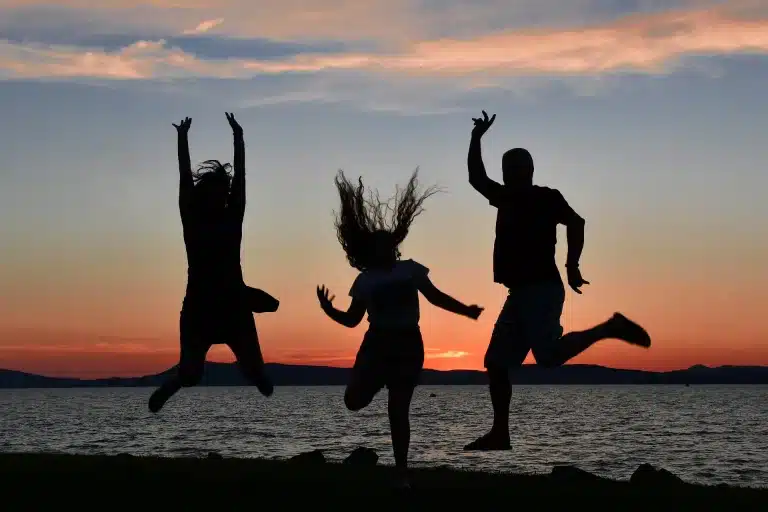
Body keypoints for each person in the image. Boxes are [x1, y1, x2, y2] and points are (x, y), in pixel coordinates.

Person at [463, 111, 652, 451]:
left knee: (547, 356)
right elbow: (576, 223)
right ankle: (500, 433)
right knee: (496, 363)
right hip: (519, 294)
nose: (509, 176)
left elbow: (575, 222)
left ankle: (609, 328)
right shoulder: (524, 197)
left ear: (519, 173)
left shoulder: (533, 197)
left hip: (540, 291)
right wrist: (572, 265)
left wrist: (571, 265)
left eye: (512, 170)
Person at [316, 170, 484, 487]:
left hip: (408, 344)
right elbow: (352, 320)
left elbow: (435, 297)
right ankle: (378, 380)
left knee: (398, 411)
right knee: (353, 401)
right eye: (377, 245)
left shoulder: (410, 270)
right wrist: (329, 310)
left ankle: (401, 473)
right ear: (370, 250)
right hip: (376, 344)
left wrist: (467, 311)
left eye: (386, 244)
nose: (383, 249)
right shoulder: (365, 280)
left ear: (393, 246)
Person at [148, 113, 277, 413]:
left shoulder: (233, 216)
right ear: (204, 195)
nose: (220, 198)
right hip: (199, 307)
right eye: (214, 194)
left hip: (234, 304)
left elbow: (241, 180)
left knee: (254, 369)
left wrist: (239, 139)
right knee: (191, 374)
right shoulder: (192, 219)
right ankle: (174, 383)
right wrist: (182, 138)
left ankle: (256, 374)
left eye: (224, 194)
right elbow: (184, 179)